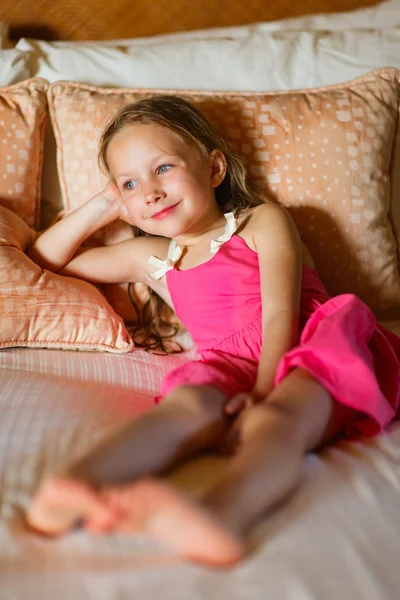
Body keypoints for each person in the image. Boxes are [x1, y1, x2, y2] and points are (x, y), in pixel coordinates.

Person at [26, 95, 400, 567]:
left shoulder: (260, 221)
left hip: (311, 344)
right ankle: (78, 482)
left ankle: (223, 514)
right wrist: (104, 205)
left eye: (163, 168)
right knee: (187, 406)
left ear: (215, 168)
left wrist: (264, 392)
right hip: (224, 363)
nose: (150, 191)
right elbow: (45, 259)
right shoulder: (155, 260)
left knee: (277, 419)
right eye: (130, 182)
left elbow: (280, 312)